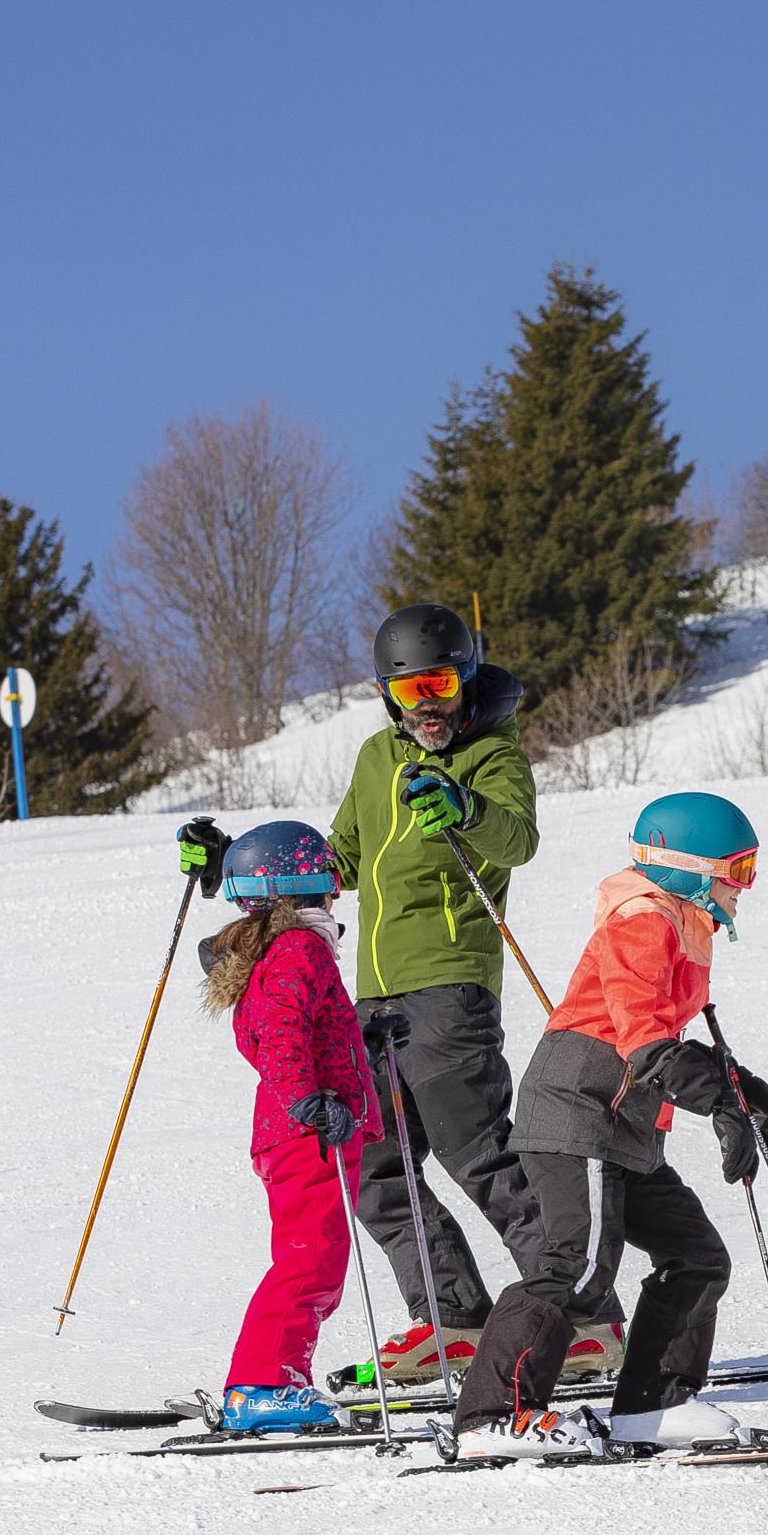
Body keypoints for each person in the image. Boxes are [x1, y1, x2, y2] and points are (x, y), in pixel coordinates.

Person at [177, 602, 623, 1387]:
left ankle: (583, 1318)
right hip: (371, 995)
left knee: (478, 1151)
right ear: (387, 691)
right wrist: (234, 866)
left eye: (444, 682)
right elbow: (334, 860)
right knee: (374, 1166)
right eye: (411, 688)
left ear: (468, 676)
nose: (430, 704)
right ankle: (453, 1318)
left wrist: (466, 807)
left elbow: (517, 837)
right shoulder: (376, 760)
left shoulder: (491, 754)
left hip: (449, 984)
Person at [449, 791, 768, 1458]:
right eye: (738, 868)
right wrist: (720, 1100)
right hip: (581, 1108)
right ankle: (494, 1415)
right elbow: (645, 1045)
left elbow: (664, 1038)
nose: (744, 885)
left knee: (697, 1257)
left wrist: (745, 1091)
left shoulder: (681, 921)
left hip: (624, 1125)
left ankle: (651, 1407)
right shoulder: (641, 921)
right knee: (574, 1268)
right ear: (690, 866)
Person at [197, 820, 384, 1433]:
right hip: (309, 1129)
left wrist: (361, 1037)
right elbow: (278, 1033)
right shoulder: (300, 946)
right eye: (331, 886)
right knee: (309, 1260)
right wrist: (308, 1100)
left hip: (310, 1126)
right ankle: (260, 1386)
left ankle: (277, 1378)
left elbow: (301, 1024)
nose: (335, 896)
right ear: (306, 890)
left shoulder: (284, 948)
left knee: (319, 1261)